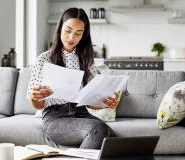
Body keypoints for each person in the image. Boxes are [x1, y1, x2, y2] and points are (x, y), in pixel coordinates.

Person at [27, 8, 120, 149]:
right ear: (59, 29)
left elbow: (91, 102)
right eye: (68, 31)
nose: (72, 37)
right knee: (97, 128)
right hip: (55, 118)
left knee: (115, 145)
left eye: (78, 33)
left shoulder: (86, 60)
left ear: (84, 35)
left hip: (82, 114)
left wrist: (106, 102)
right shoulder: (43, 59)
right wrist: (34, 97)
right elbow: (38, 106)